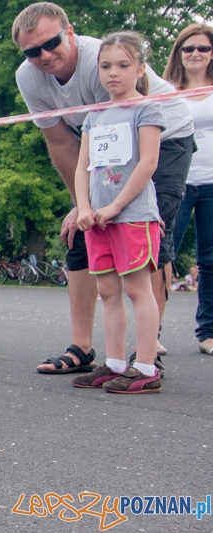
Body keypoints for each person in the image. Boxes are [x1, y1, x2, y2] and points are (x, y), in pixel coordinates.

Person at [12, 2, 195, 373]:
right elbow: (63, 143)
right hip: (100, 153)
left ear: (70, 31)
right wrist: (80, 204)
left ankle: (146, 353)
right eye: (32, 51)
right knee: (82, 232)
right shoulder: (28, 78)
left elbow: (126, 143)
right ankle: (82, 347)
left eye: (51, 43)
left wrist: (99, 200)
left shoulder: (103, 63)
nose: (44, 56)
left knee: (146, 234)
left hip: (160, 139)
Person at [70, 32, 165, 393]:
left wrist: (116, 205)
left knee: (138, 289)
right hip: (97, 219)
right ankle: (113, 363)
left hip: (133, 214)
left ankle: (144, 366)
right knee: (107, 290)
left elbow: (148, 162)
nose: (113, 73)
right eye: (106, 66)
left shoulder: (147, 108)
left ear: (140, 69)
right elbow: (84, 168)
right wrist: (84, 206)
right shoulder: (94, 115)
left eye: (123, 65)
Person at [164, 24, 213, 355]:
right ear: (179, 53)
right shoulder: (165, 90)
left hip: (212, 181)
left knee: (210, 260)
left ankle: (207, 332)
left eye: (203, 48)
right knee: (162, 257)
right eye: (188, 48)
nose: (196, 53)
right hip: (177, 182)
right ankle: (151, 331)